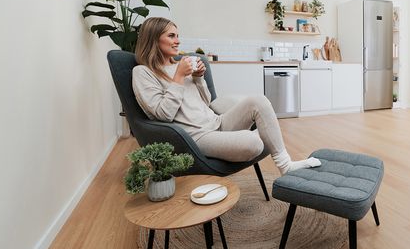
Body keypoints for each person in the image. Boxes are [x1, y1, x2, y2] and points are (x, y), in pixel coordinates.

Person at [132, 17, 321, 174]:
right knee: (255, 142)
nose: (177, 41)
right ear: (154, 39)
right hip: (198, 136)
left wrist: (198, 78)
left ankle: (286, 165)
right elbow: (162, 115)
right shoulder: (143, 72)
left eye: (177, 36)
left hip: (218, 122)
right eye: (171, 36)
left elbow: (206, 102)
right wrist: (180, 76)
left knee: (259, 100)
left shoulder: (180, 64)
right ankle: (263, 134)